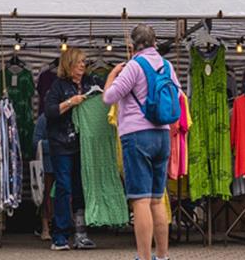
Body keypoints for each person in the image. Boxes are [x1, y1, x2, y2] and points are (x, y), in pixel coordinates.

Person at [101, 24, 176, 260]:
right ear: (155, 42)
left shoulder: (134, 66)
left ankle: (144, 258)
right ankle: (162, 257)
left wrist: (112, 75)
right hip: (162, 136)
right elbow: (177, 95)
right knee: (157, 199)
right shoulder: (167, 65)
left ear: (133, 46)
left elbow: (109, 98)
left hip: (137, 136)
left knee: (140, 201)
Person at [40, 46, 90, 251]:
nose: (83, 65)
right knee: (64, 187)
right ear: (69, 64)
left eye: (84, 62)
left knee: (80, 187)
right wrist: (71, 102)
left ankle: (81, 233)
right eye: (80, 62)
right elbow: (49, 112)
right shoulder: (58, 86)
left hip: (83, 144)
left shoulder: (90, 83)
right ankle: (59, 235)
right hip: (61, 143)